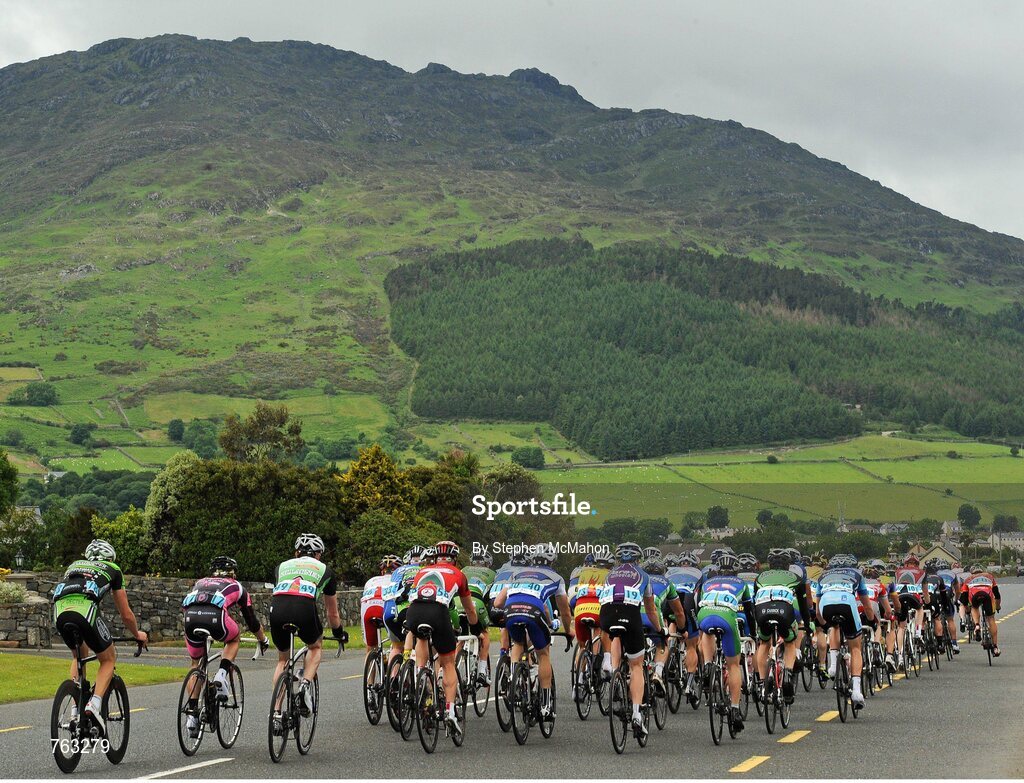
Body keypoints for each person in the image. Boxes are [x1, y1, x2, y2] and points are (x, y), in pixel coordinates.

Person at [51, 540, 148, 735]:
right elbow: (126, 614)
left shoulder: (74, 566)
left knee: (79, 656)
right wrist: (137, 634)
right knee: (108, 658)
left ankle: (75, 708)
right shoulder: (113, 569)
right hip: (85, 611)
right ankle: (94, 704)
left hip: (60, 612)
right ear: (110, 557)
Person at [182, 555, 268, 737]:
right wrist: (262, 639)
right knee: (233, 638)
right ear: (233, 573)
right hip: (215, 618)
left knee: (196, 665)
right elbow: (251, 621)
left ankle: (192, 715)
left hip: (190, 618)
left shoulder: (201, 582)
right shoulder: (237, 587)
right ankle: (222, 674)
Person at [269, 533, 347, 724]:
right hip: (303, 608)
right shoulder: (326, 571)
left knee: (282, 660)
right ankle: (304, 684)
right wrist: (338, 633)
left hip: (277, 608)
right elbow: (332, 614)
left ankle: (276, 712)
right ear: (318, 554)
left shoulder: (281, 566)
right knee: (315, 646)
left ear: (296, 553)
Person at [405, 540, 479, 739]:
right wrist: (476, 625)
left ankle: (421, 676)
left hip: (414, 612)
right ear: (454, 559)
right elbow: (469, 608)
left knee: (421, 640)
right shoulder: (459, 574)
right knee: (447, 662)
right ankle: (450, 710)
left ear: (436, 558)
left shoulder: (422, 570)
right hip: (438, 611)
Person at [492, 544, 573, 720]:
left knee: (518, 643)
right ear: (552, 561)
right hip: (533, 612)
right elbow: (565, 612)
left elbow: (498, 603)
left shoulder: (517, 573)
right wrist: (568, 630)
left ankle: (514, 679)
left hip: (510, 611)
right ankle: (545, 705)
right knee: (543, 653)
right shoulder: (556, 577)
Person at [599, 541, 664, 739]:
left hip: (607, 613)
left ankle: (616, 672)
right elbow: (651, 609)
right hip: (630, 611)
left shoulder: (610, 574)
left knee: (615, 634)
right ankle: (636, 714)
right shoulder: (643, 575)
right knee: (637, 665)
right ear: (638, 559)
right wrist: (660, 630)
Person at [696, 550, 755, 733]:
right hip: (727, 617)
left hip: (704, 614)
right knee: (733, 666)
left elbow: (696, 601)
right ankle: (735, 710)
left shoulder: (708, 582)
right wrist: (752, 634)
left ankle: (707, 665)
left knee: (706, 632)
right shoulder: (741, 584)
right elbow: (749, 611)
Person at [753, 548, 811, 705]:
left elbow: (754, 602)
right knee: (789, 641)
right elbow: (804, 607)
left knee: (764, 643)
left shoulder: (760, 577)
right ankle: (787, 675)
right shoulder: (796, 577)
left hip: (762, 611)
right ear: (788, 565)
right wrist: (807, 625)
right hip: (784, 611)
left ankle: (763, 683)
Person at [817, 554, 875, 707]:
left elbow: (817, 610)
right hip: (846, 603)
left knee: (834, 627)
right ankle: (856, 691)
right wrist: (872, 620)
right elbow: (867, 605)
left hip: (826, 604)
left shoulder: (822, 575)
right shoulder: (857, 574)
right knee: (855, 647)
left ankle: (833, 665)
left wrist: (824, 624)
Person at [569, 549, 611, 699]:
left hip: (579, 609)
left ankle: (579, 680)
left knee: (582, 646)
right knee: (600, 630)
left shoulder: (582, 572)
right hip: (597, 609)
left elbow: (572, 596)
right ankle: (605, 660)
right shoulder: (610, 575)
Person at [642, 554, 686, 690]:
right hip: (652, 614)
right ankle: (658, 672)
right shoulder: (667, 582)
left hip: (633, 614)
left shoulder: (640, 579)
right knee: (663, 644)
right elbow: (678, 612)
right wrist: (682, 629)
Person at [666, 551, 703, 705]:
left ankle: (669, 653)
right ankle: (689, 682)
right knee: (692, 645)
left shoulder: (670, 573)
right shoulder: (699, 573)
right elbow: (700, 598)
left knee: (672, 622)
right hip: (688, 603)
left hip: (669, 604)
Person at [460, 550, 496, 685]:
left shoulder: (463, 570)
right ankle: (481, 669)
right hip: (477, 602)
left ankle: (453, 664)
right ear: (488, 564)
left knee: (460, 637)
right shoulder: (492, 574)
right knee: (484, 632)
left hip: (459, 601)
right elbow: (491, 598)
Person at [361, 554, 401, 663]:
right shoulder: (397, 580)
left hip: (367, 608)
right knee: (398, 644)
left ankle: (369, 680)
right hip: (384, 607)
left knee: (370, 648)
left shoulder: (371, 581)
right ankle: (393, 671)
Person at [964, 565, 1001, 656]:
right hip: (987, 596)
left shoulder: (968, 579)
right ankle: (995, 647)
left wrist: (967, 609)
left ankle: (977, 625)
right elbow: (997, 594)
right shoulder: (989, 576)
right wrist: (997, 606)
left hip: (975, 596)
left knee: (974, 607)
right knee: (991, 619)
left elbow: (963, 598)